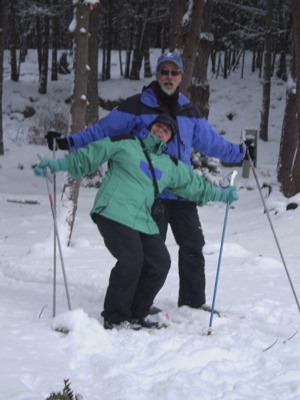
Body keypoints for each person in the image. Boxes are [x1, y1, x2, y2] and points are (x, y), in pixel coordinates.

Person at [45, 52, 245, 312]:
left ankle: (193, 302)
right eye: (165, 72)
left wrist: (240, 153)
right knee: (150, 255)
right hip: (149, 194)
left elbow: (211, 143)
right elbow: (103, 130)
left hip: (182, 192)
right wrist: (67, 142)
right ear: (157, 74)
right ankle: (139, 303)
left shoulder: (188, 111)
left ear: (181, 77)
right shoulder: (137, 105)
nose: (169, 77)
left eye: (174, 73)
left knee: (193, 246)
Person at [37, 114, 239, 330]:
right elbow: (90, 155)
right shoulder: (125, 143)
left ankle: (136, 312)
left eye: (166, 131)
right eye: (158, 127)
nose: (161, 131)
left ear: (170, 138)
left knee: (160, 262)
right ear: (151, 129)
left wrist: (221, 194)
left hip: (143, 219)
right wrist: (58, 164)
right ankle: (115, 316)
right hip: (114, 211)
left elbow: (193, 185)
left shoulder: (170, 165)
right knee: (132, 259)